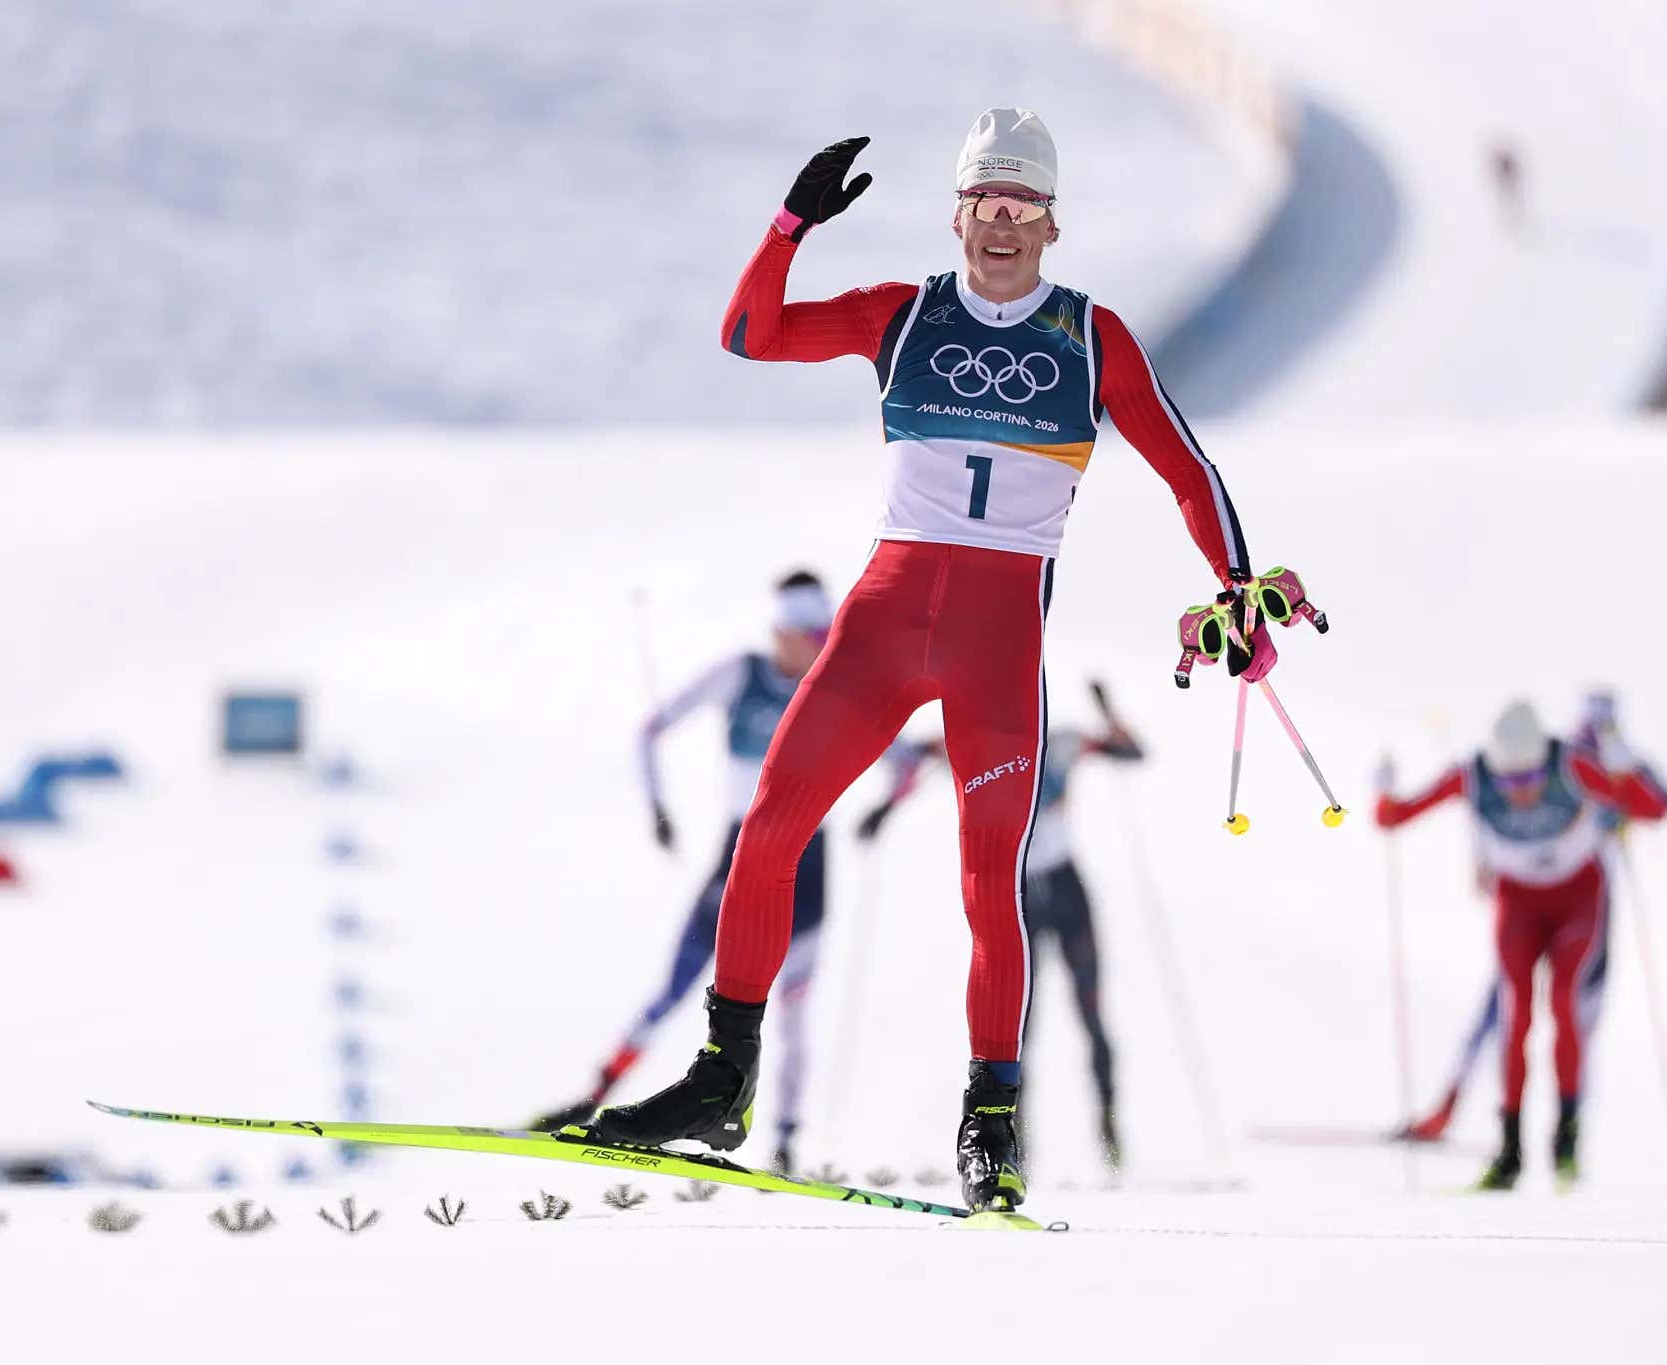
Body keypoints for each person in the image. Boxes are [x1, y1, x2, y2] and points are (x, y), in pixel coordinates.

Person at [579, 109, 1265, 1215]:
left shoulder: (1094, 338)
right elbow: (750, 334)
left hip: (998, 647)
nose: (1001, 225)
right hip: (882, 624)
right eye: (984, 202)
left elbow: (1188, 470)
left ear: (1051, 225)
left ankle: (991, 1125)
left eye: (1022, 206)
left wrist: (1240, 587)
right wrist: (790, 225)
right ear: (956, 215)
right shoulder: (899, 314)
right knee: (768, 828)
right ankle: (721, 1081)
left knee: (990, 884)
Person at [531, 571, 841, 1175]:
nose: (819, 646)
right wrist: (658, 808)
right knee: (682, 985)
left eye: (824, 635)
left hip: (810, 864)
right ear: (781, 631)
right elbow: (651, 729)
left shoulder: (832, 687)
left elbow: (903, 757)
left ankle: (784, 1143)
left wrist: (891, 800)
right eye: (810, 635)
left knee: (794, 1010)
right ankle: (595, 1096)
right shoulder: (742, 674)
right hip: (741, 853)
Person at [1375, 700, 1667, 1191]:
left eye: (1531, 778)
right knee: (1514, 1013)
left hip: (1578, 899)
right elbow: (1394, 818)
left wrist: (1624, 774)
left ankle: (1566, 1143)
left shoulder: (1573, 766)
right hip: (1519, 905)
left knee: (1564, 1004)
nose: (1521, 791)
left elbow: (1652, 810)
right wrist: (1384, 791)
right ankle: (1510, 1152)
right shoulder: (1474, 776)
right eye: (1510, 781)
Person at [855, 682, 1144, 1173]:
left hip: (1065, 890)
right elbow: (913, 756)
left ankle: (1109, 1126)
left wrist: (1108, 709)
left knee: (1091, 1012)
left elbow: (1131, 753)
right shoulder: (980, 743)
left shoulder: (1062, 740)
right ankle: (1015, 1142)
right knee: (1018, 1025)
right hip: (1021, 894)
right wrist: (883, 809)